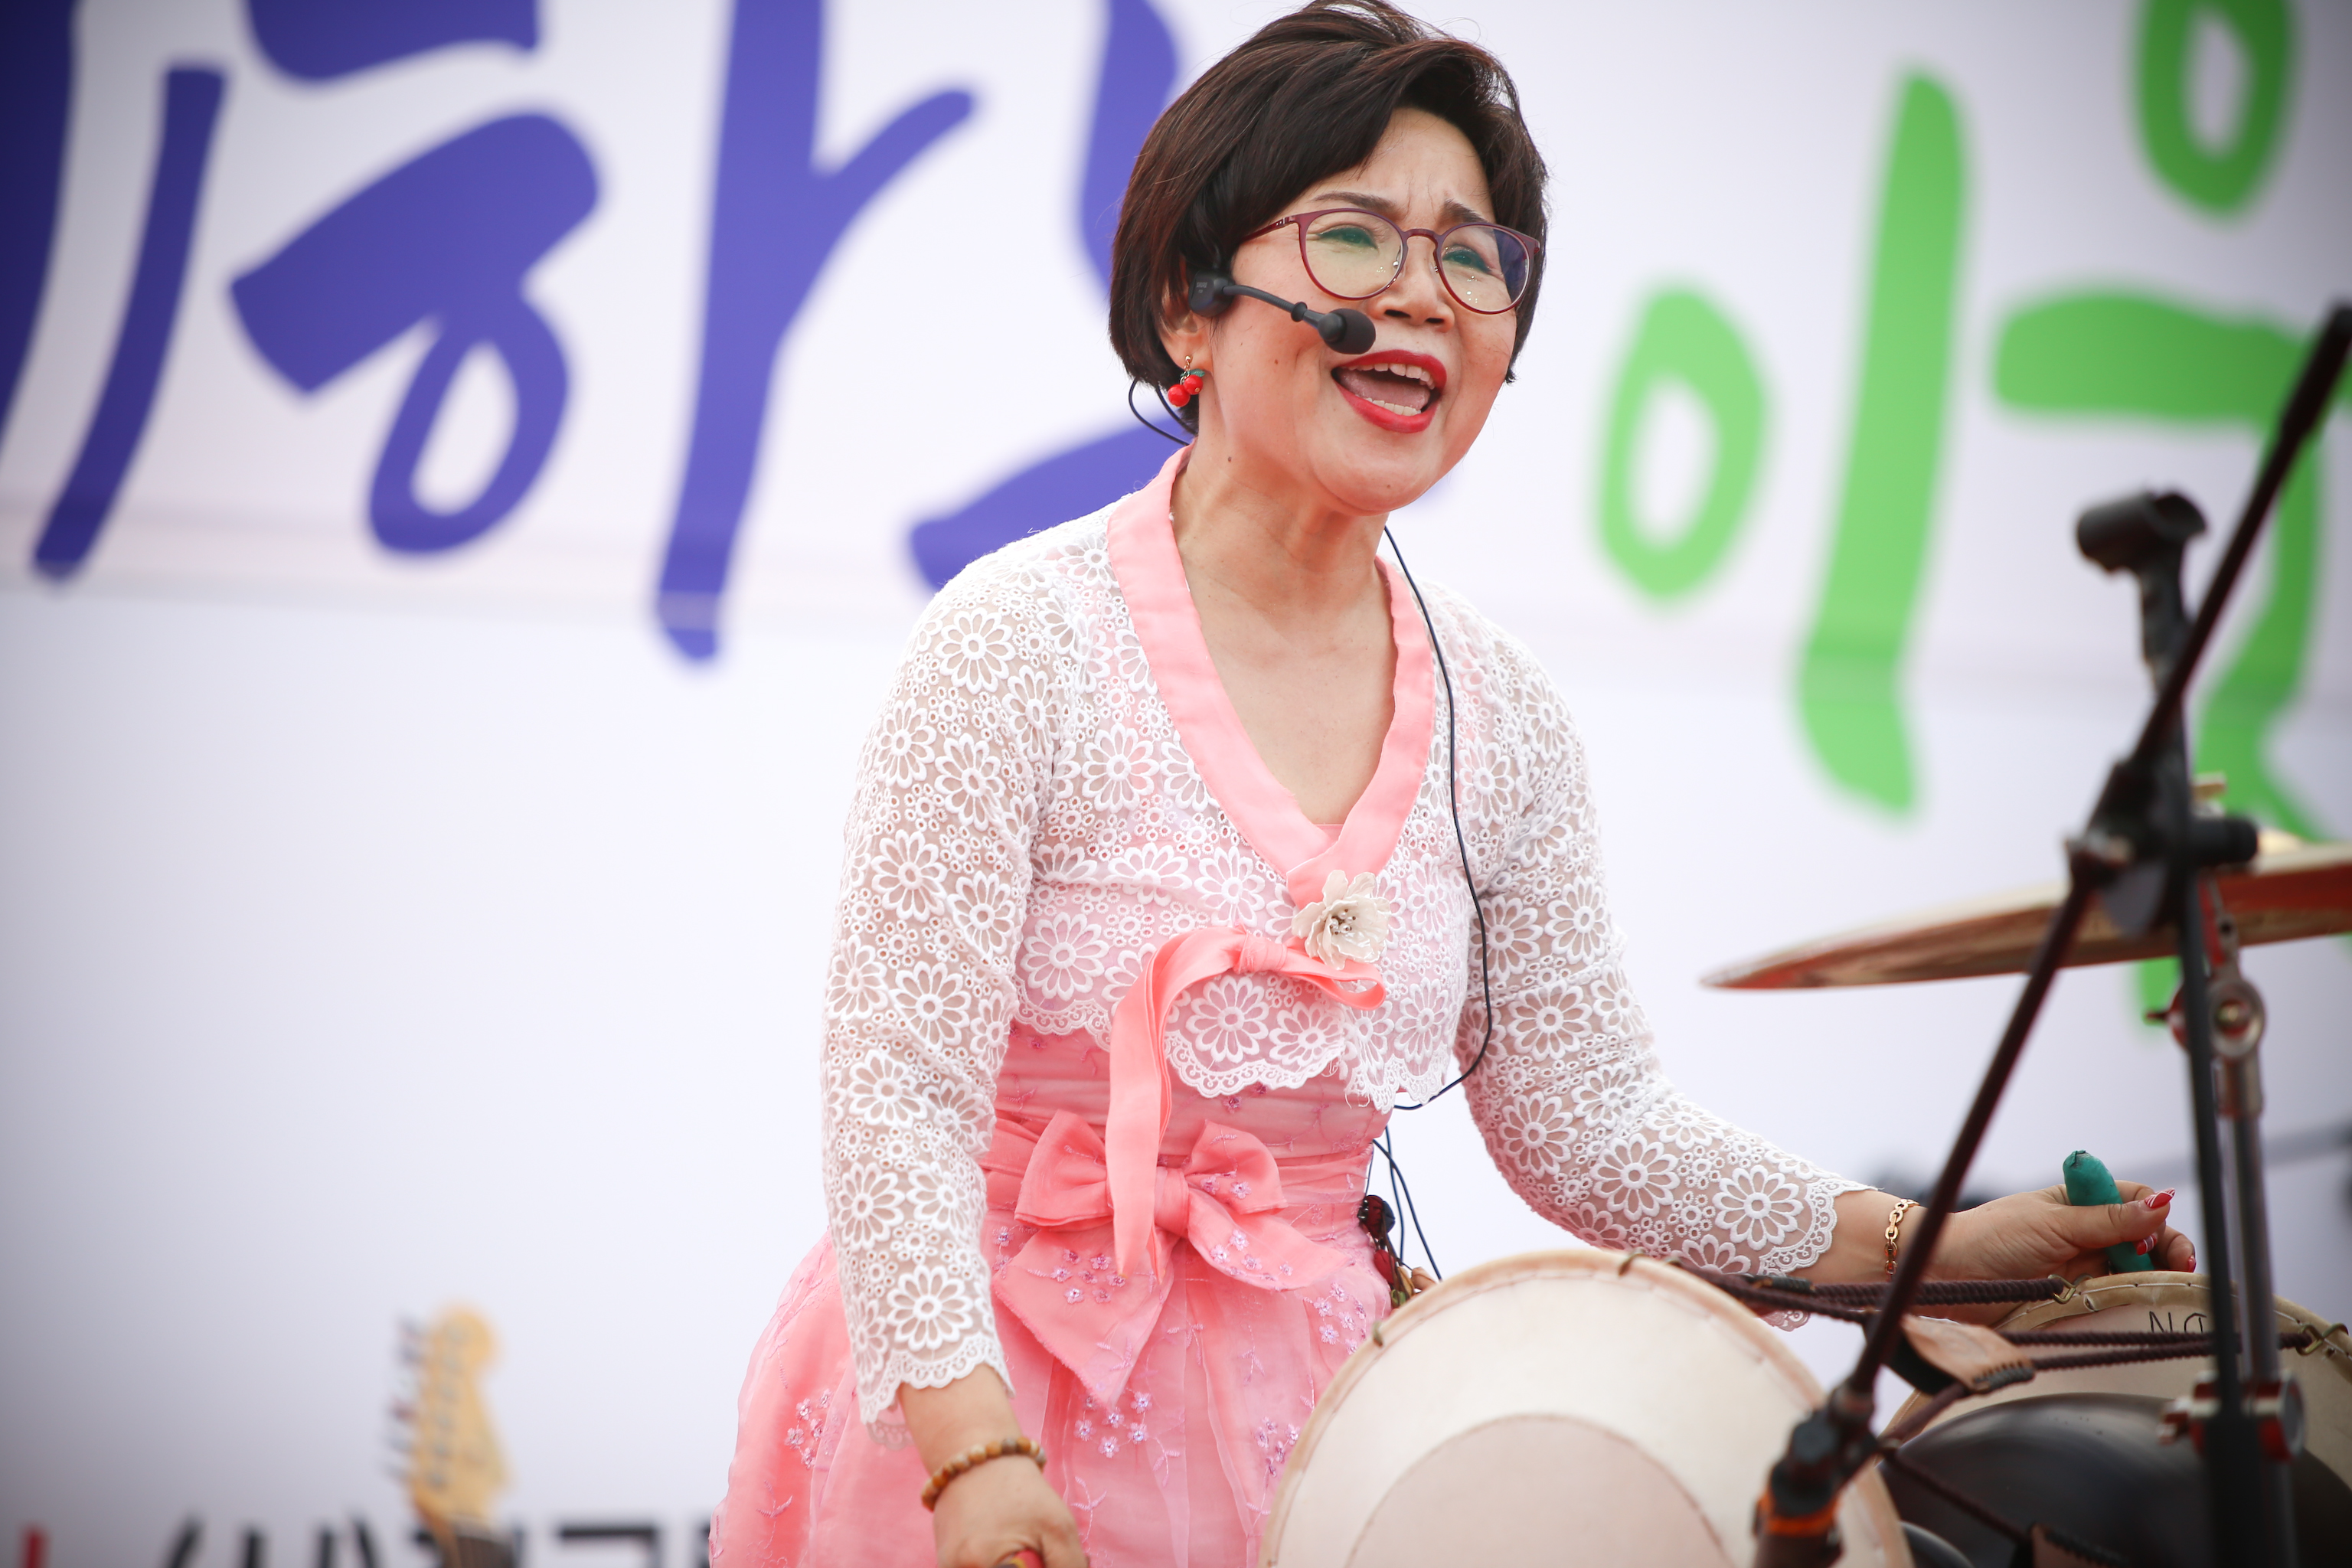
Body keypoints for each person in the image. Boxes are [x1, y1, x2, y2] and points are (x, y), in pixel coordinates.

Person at [708, 6, 2191, 1566]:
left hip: (1338, 1433)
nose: (1422, 293)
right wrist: (974, 1455)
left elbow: (1589, 1126)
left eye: (1472, 257)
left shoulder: (1508, 715)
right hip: (984, 1404)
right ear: (1186, 308)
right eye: (1354, 236)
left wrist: (1940, 1247)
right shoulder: (1016, 640)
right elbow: (897, 1091)